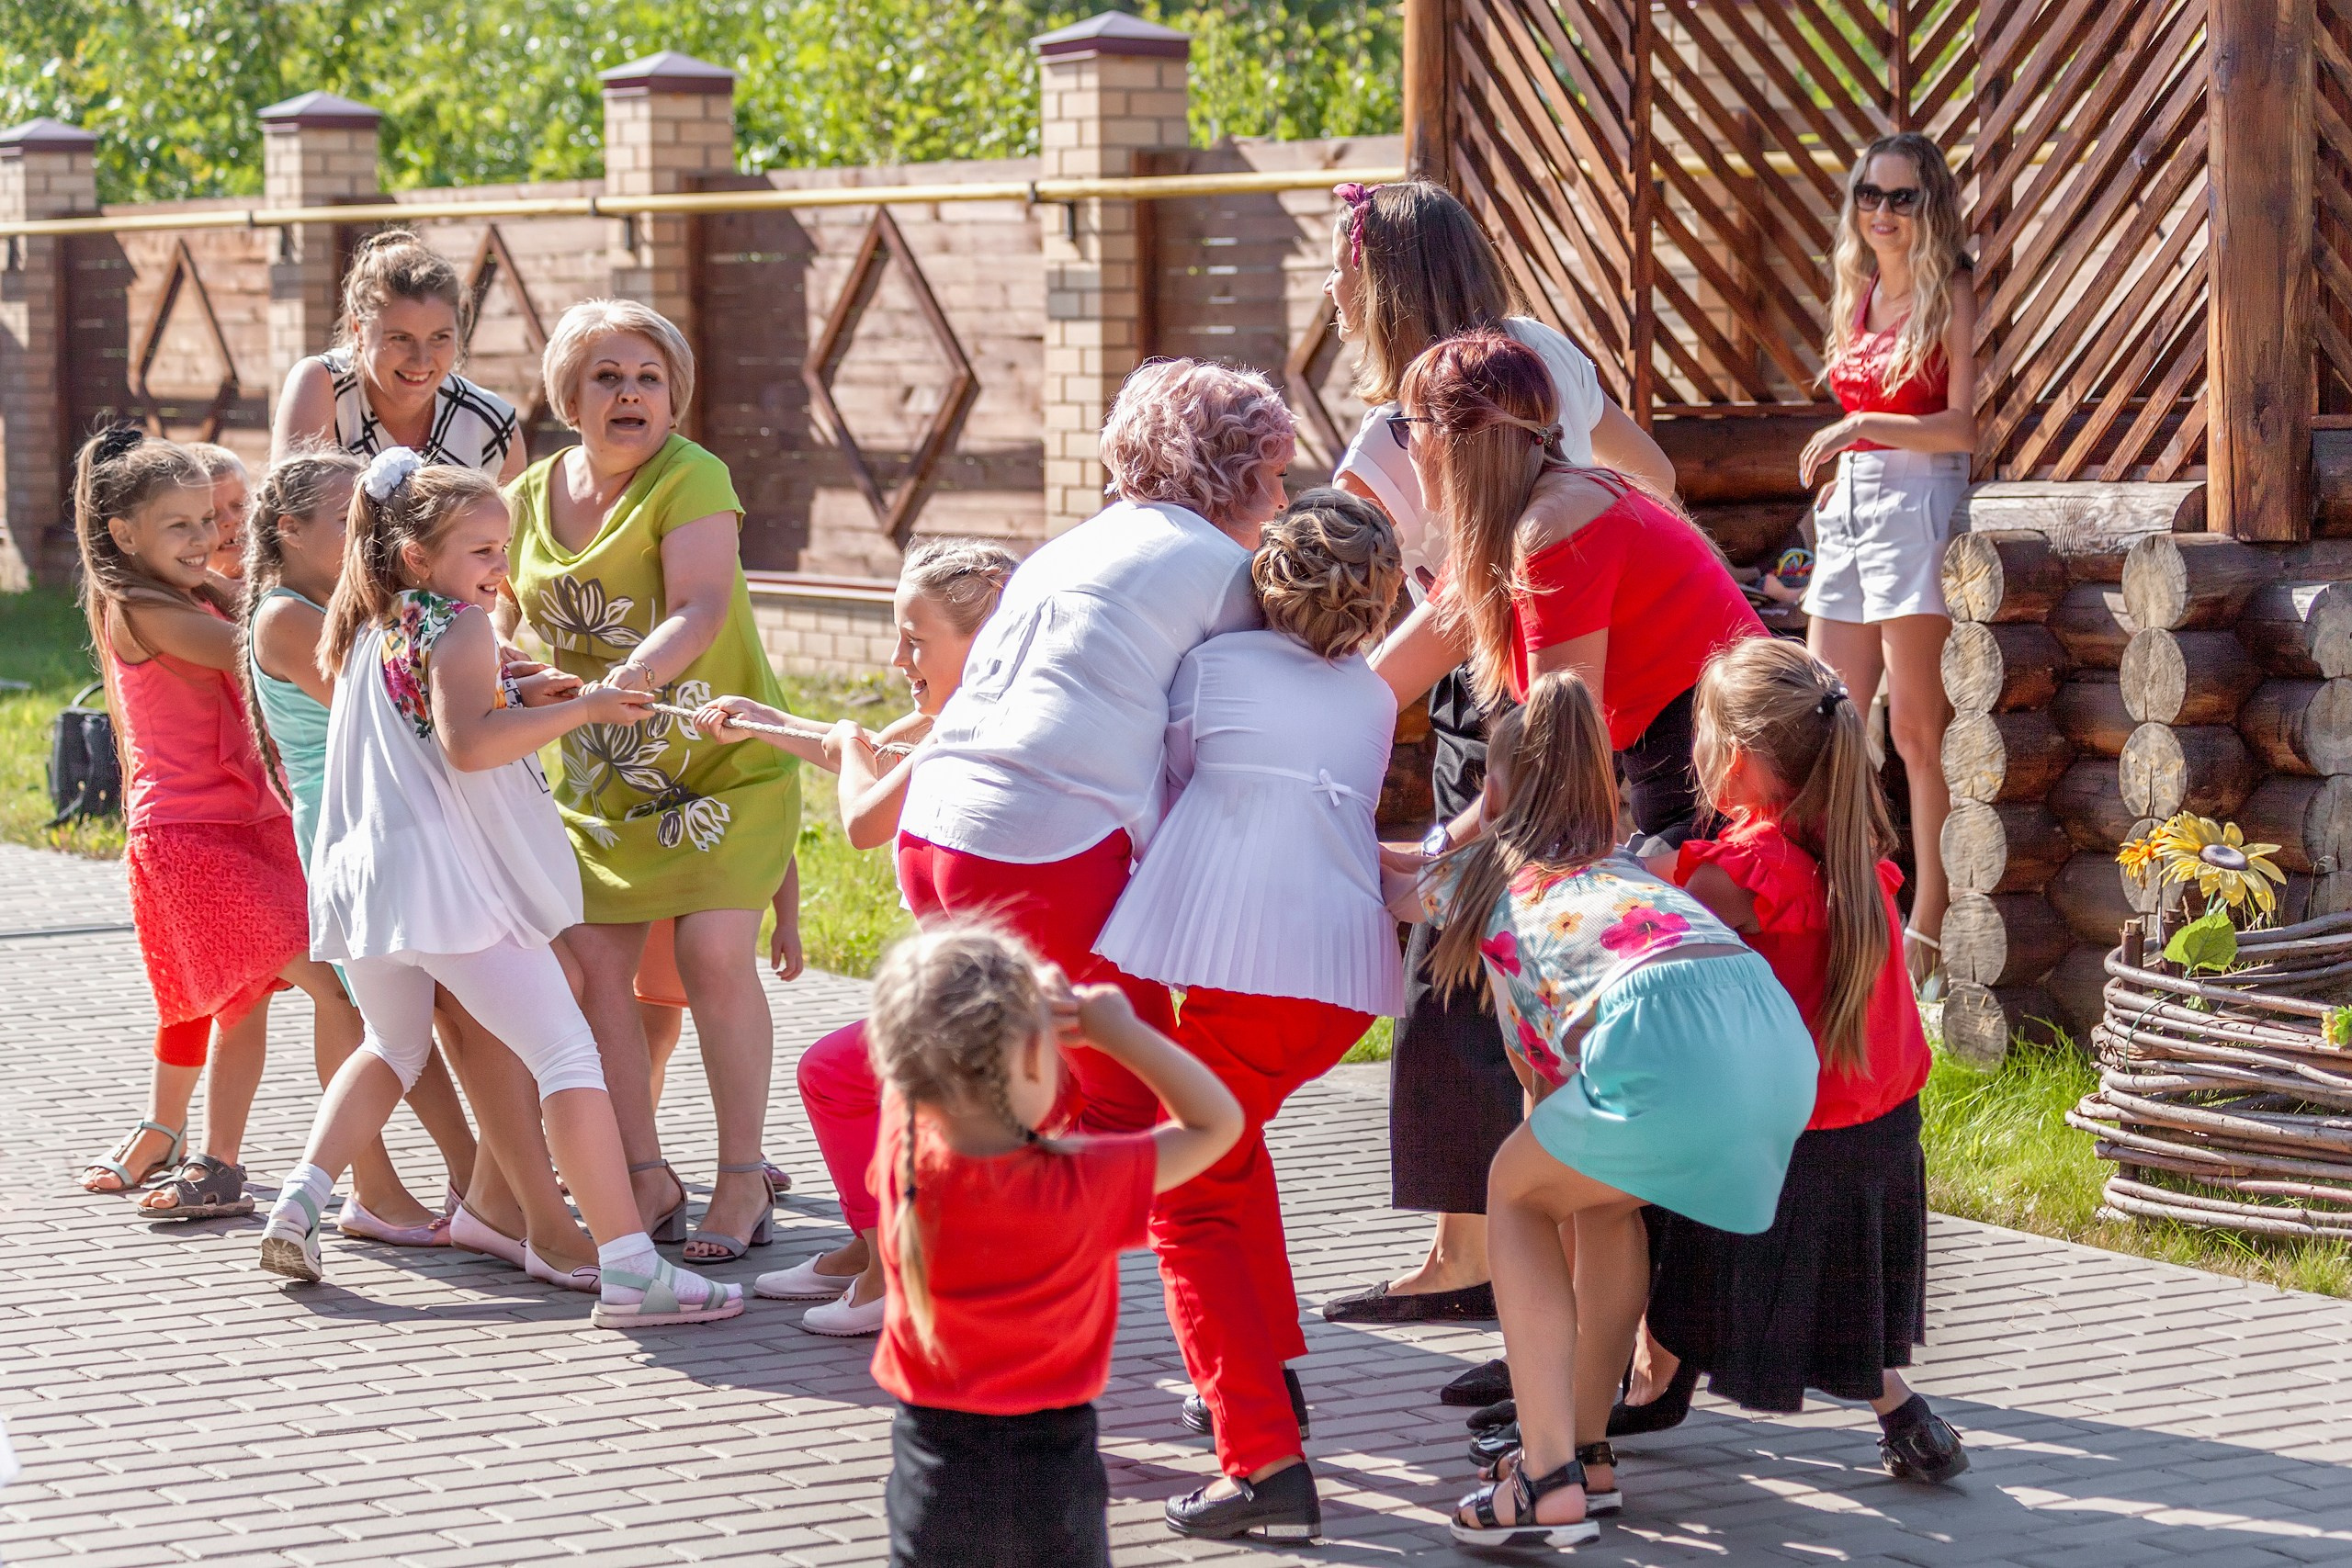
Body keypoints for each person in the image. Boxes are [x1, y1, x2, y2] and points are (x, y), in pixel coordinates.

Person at [256, 448, 741, 1330]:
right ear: (417, 556)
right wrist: (585, 709)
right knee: (566, 1054)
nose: (501, 569)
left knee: (395, 1046)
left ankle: (298, 1201)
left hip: (369, 883)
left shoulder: (368, 623)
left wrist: (526, 687)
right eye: (483, 551)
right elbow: (470, 743)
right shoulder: (458, 627)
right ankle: (633, 1268)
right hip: (449, 887)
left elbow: (448, 710)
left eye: (503, 547)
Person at [1317, 180, 1673, 1339]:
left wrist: (1353, 706)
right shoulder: (1546, 356)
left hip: (1518, 704)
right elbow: (1655, 477)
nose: (1330, 290)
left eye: (1341, 268)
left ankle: (1488, 1259)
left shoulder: (1404, 425)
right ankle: (1500, 1254)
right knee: (1487, 975)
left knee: (1463, 967)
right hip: (1584, 684)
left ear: (1377, 288)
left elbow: (1353, 592)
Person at [1385, 673, 1815, 1548]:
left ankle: (1542, 1476)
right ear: (1604, 787)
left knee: (1513, 1189)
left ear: (1493, 792)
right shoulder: (1630, 864)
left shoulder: (1486, 870)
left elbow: (1397, 893)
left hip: (1662, 1041)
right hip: (1768, 1037)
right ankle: (1587, 1448)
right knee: (1602, 1200)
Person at [1091, 489, 1406, 1540]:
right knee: (1233, 1151)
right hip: (1336, 982)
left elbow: (1163, 782)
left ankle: (1262, 1461)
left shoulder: (1213, 668)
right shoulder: (1370, 698)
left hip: (1245, 970)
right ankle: (1271, 1367)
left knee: (1186, 1197)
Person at [894, 358, 1294, 1138]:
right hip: (1039, 851)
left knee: (1000, 1096)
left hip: (932, 826)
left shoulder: (1068, 547)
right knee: (1132, 1100)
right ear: (1227, 467)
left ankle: (926, 1254)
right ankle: (1051, 1258)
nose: (1281, 501)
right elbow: (1233, 735)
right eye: (1271, 474)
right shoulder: (1223, 570)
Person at [501, 298, 802, 1261]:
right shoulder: (526, 496)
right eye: (607, 376)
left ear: (673, 398)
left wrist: (635, 676)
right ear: (569, 394)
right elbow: (499, 617)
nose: (630, 393)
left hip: (723, 762)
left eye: (648, 378)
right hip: (602, 779)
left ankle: (742, 1177)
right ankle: (641, 1173)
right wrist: (510, 672)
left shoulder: (693, 474)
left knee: (715, 955)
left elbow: (702, 603)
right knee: (595, 968)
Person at [1635, 637, 1967, 1483]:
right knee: (1841, 1268)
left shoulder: (1739, 873)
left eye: (1704, 738)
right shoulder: (1858, 857)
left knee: (1629, 1176)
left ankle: (1652, 1373)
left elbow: (1651, 967)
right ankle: (1900, 1410)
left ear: (1736, 758)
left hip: (1789, 1141)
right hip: (1885, 1131)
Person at [698, 537, 1018, 1337]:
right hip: (969, 988)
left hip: (1004, 1002)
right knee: (854, 1076)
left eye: (915, 639)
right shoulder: (960, 709)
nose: (894, 657)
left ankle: (894, 1266)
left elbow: (863, 812)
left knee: (837, 1073)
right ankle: (865, 1245)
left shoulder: (978, 724)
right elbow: (863, 749)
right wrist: (769, 723)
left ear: (982, 640)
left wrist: (843, 747)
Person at [862, 924, 1243, 1568]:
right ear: (1036, 1060)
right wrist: (1118, 1031)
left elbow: (918, 1055)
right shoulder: (1082, 1180)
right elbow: (1217, 1122)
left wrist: (1009, 1011)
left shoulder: (905, 1164)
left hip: (931, 1474)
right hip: (1052, 1481)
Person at [68, 429, 358, 1223]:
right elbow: (259, 644)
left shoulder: (194, 590)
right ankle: (357, 1176)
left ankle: (219, 1162)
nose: (207, 539)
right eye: (183, 525)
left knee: (244, 1003)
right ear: (124, 535)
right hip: (193, 836)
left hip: (254, 818)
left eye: (212, 520)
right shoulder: (140, 606)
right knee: (332, 989)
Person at [237, 446, 479, 1245]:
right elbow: (381, 701)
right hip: (351, 828)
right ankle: (389, 1187)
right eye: (347, 523)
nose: (365, 537)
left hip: (381, 819)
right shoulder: (287, 615)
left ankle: (473, 1173)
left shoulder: (346, 607)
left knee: (409, 1007)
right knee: (383, 1010)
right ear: (290, 530)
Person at [1797, 132, 1978, 993]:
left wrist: (1862, 434)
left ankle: (1928, 929)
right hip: (1854, 505)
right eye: (1870, 194)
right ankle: (1836, 912)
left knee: (1914, 731)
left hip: (1920, 502)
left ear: (1930, 204)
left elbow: (1960, 427)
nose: (1882, 212)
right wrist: (1846, 467)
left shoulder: (1953, 293)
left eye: (1902, 197)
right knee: (1820, 720)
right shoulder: (1858, 292)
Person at [270, 230, 526, 483]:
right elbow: (293, 519)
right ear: (358, 329)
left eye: (440, 338)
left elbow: (516, 525)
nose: (422, 360)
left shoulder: (492, 426)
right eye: (400, 338)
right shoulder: (321, 386)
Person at [189, 443, 251, 580]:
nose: (230, 519)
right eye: (211, 515)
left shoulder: (288, 580)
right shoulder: (178, 598)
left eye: (239, 505)